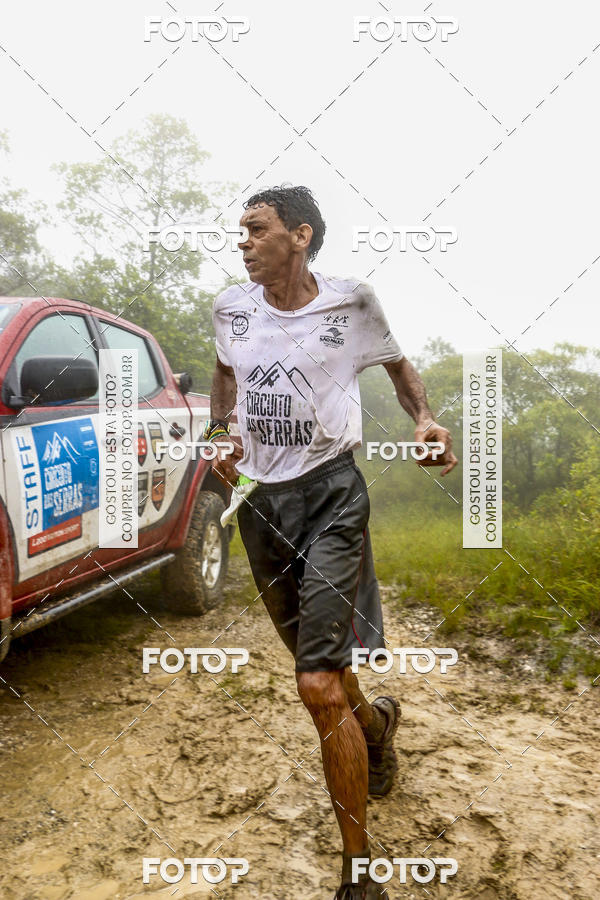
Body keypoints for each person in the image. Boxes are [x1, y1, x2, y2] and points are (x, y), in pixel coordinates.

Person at [206, 185, 457, 898]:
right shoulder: (231, 307)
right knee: (327, 670)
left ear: (301, 235)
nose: (243, 241)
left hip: (332, 495)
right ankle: (376, 725)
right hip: (260, 503)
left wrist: (424, 419)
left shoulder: (352, 302)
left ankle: (359, 874)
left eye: (256, 229)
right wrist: (224, 433)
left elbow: (399, 366)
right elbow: (225, 375)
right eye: (241, 231)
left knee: (315, 684)